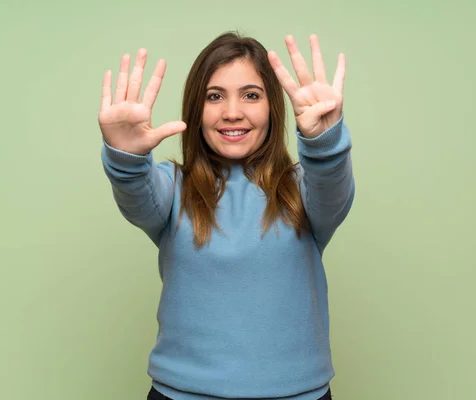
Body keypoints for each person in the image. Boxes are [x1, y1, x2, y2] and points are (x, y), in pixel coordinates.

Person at [98, 31, 355, 400]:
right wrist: (125, 157)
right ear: (195, 109)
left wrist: (325, 141)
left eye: (251, 95)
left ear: (272, 107)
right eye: (214, 96)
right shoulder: (172, 188)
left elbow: (332, 185)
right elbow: (135, 193)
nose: (232, 112)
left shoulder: (305, 189)